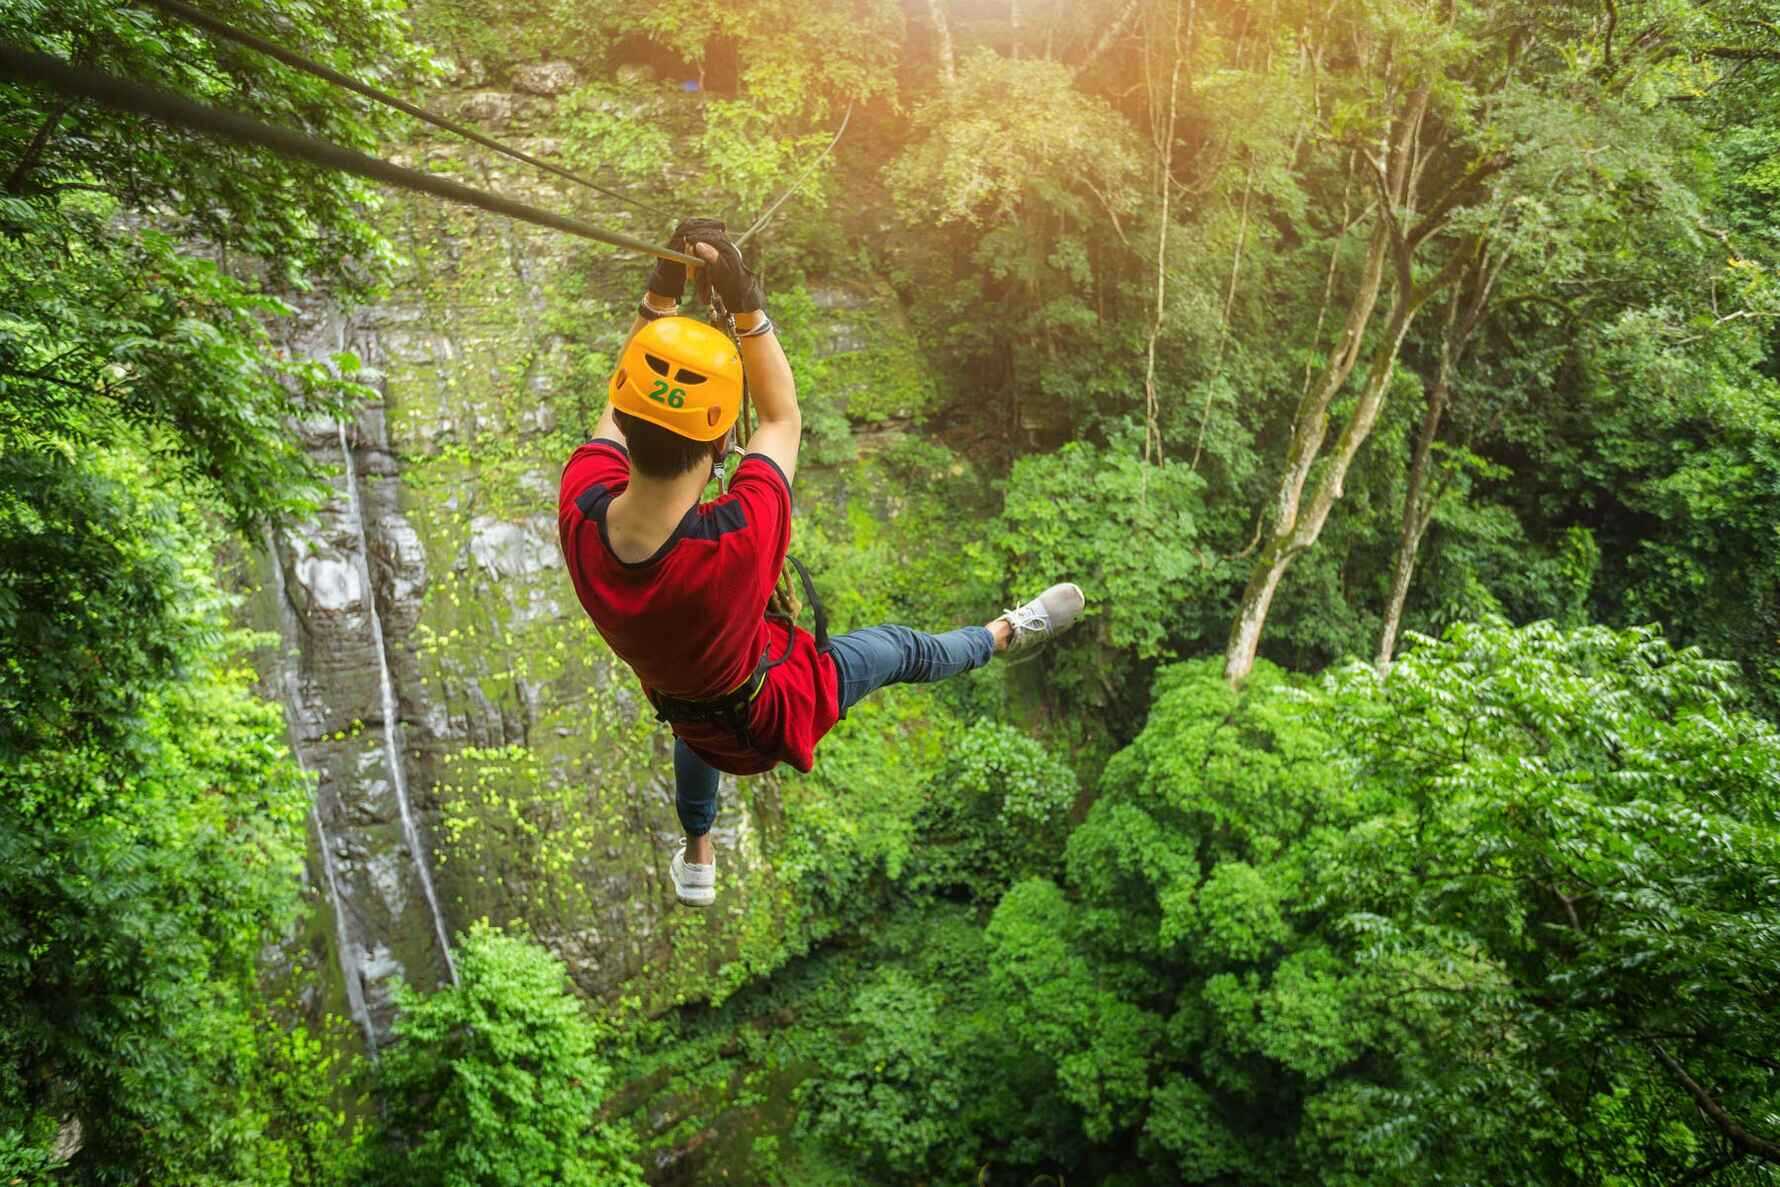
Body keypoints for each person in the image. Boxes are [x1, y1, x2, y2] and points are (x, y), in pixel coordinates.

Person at [557, 220, 1084, 907]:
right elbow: (780, 418)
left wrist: (664, 305)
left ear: (626, 426)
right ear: (721, 445)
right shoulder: (734, 543)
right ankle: (1004, 635)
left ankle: (698, 853)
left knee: (699, 723)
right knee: (899, 649)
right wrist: (740, 297)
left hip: (687, 702)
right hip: (774, 709)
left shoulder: (581, 510)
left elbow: (626, 406)